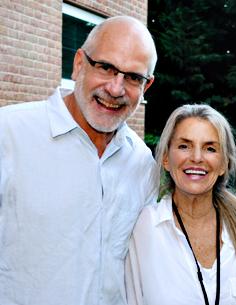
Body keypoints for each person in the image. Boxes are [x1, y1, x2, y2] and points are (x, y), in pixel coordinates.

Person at [0, 16, 158, 305]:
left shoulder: (142, 163)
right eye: (106, 67)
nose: (115, 89)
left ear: (146, 87)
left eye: (133, 77)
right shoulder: (8, 135)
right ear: (78, 64)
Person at [125, 104, 236, 305]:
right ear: (166, 158)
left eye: (210, 148)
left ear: (224, 165)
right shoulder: (145, 228)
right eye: (184, 146)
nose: (197, 158)